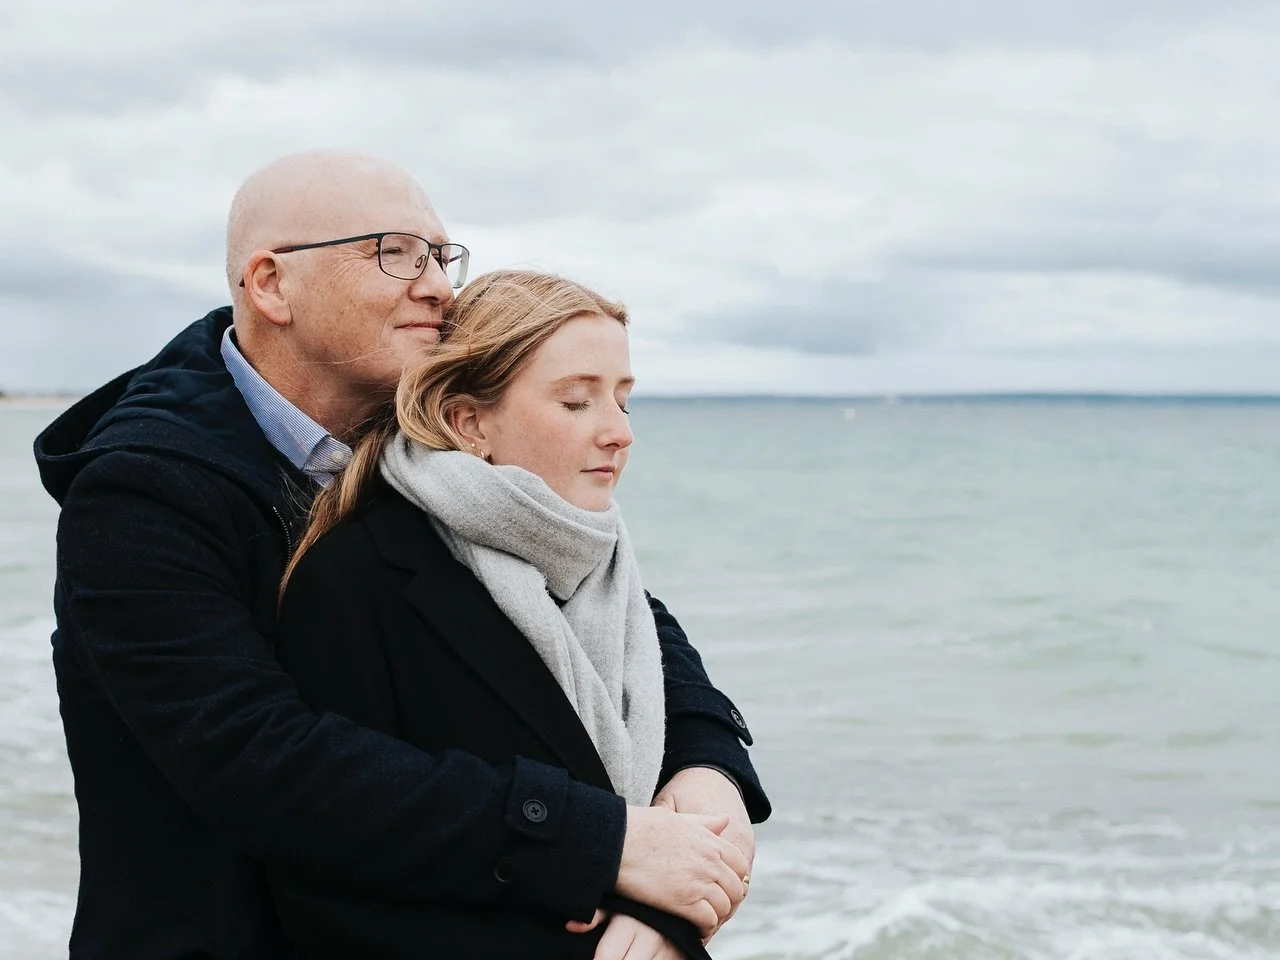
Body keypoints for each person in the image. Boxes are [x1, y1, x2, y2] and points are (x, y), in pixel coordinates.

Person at [34, 151, 768, 960]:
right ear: (272, 285)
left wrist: (706, 775)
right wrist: (607, 845)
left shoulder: (423, 452)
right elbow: (256, 760)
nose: (436, 286)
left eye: (442, 256)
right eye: (395, 253)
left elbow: (609, 608)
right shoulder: (142, 491)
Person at [268, 270, 734, 958]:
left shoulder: (596, 560)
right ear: (469, 422)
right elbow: (337, 855)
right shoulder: (354, 577)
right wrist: (607, 890)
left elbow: (679, 743)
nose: (617, 433)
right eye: (577, 402)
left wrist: (669, 905)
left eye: (624, 401)